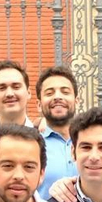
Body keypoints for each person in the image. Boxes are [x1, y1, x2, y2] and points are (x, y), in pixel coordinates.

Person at [32, 66, 79, 195]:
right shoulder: (31, 145)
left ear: (76, 101)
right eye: (49, 93)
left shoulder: (91, 143)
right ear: (39, 105)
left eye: (65, 92)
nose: (57, 97)